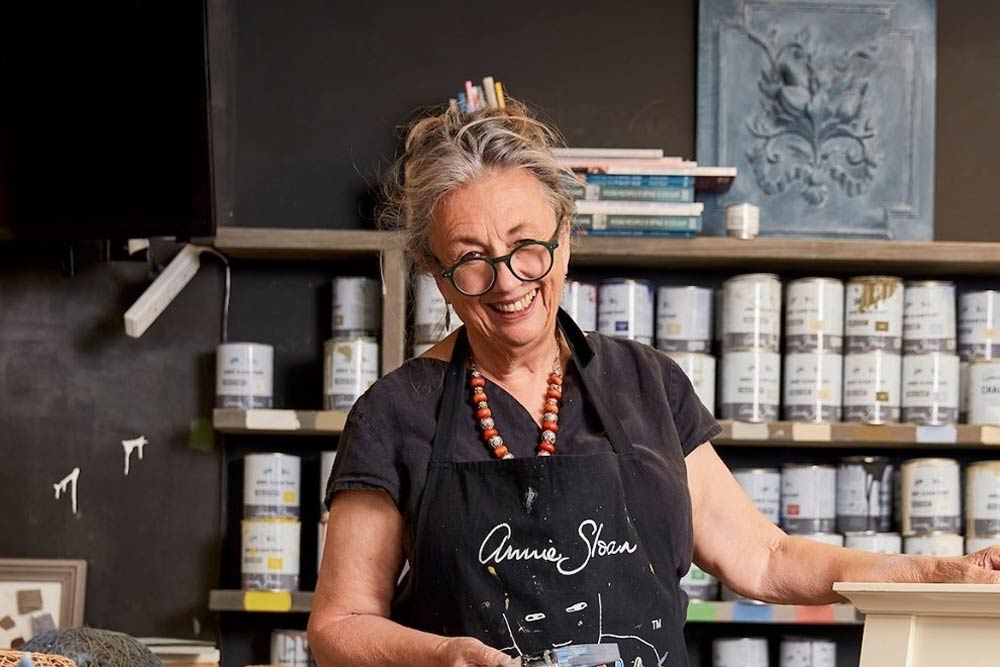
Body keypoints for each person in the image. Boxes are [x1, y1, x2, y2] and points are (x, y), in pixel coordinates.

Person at [307, 99, 1000, 667]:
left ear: (566, 240)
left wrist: (936, 573)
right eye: (472, 260)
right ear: (439, 277)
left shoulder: (646, 383)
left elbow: (765, 556)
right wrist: (444, 657)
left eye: (527, 247)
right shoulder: (395, 413)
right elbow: (338, 624)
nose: (508, 279)